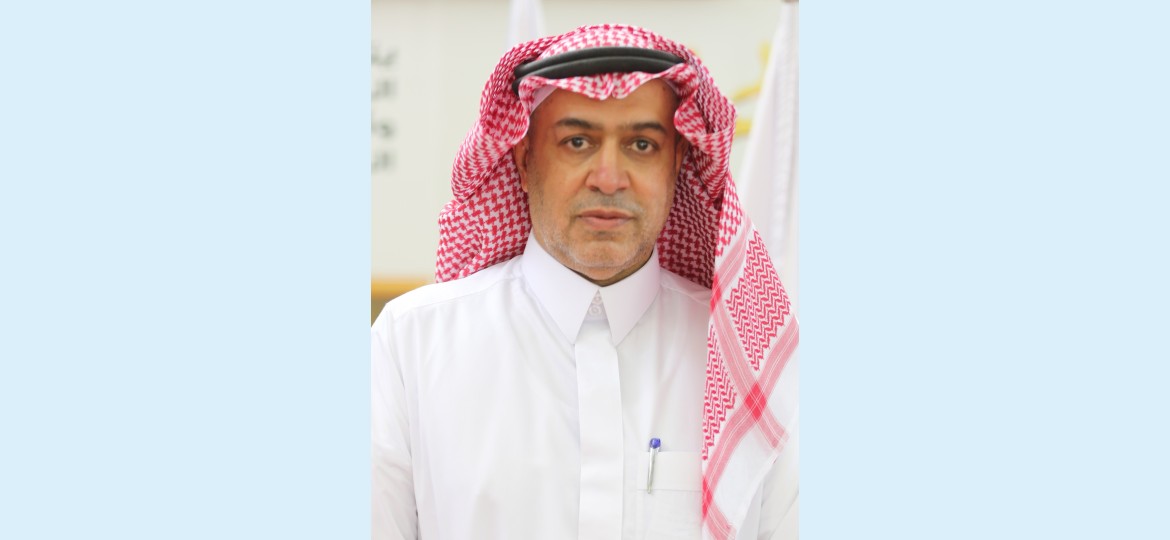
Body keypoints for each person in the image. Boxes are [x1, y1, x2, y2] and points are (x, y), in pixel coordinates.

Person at [372, 24, 799, 540]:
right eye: (578, 142)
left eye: (641, 144)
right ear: (524, 159)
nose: (609, 177)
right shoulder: (412, 344)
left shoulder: (750, 357)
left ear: (676, 163)